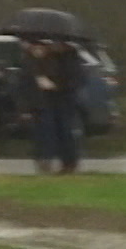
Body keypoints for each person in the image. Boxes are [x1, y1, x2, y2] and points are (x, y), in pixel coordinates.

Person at [23, 38, 84, 174]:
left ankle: (68, 162)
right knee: (44, 130)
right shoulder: (33, 57)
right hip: (43, 100)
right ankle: (45, 159)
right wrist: (37, 63)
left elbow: (76, 79)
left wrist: (56, 86)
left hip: (63, 99)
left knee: (65, 129)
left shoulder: (69, 56)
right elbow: (26, 78)